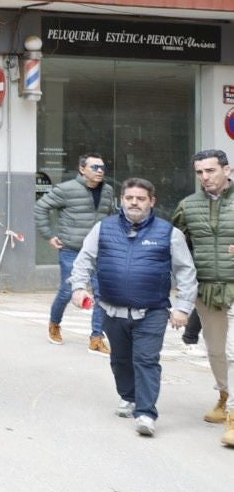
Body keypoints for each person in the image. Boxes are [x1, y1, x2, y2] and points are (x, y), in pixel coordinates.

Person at [69, 177, 197, 437]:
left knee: (146, 361)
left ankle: (146, 413)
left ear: (152, 202)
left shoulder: (169, 233)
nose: (134, 203)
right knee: (119, 360)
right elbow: (84, 260)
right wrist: (79, 287)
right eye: (129, 198)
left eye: (140, 198)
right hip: (111, 310)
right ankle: (128, 395)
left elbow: (185, 271)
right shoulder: (103, 228)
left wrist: (183, 307)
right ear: (122, 200)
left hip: (151, 312)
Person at [171, 149, 234, 446]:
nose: (204, 177)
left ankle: (233, 416)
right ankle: (224, 396)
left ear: (227, 169)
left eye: (210, 170)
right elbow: (175, 247)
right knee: (217, 351)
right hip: (207, 289)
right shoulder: (187, 206)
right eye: (199, 172)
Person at [34, 153, 116, 351]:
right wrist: (49, 235)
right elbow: (41, 207)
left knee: (101, 293)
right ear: (82, 169)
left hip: (99, 251)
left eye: (102, 167)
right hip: (72, 249)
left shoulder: (107, 190)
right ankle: (54, 323)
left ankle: (96, 338)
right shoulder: (66, 189)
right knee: (68, 290)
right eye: (95, 167)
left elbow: (111, 216)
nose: (100, 171)